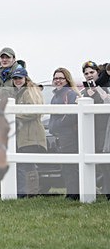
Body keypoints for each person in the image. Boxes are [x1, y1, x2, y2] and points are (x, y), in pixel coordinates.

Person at [11, 67, 46, 197]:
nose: (17, 80)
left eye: (19, 78)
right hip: (26, 135)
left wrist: (13, 115)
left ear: (25, 78)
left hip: (31, 134)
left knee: (27, 165)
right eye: (15, 78)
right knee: (26, 164)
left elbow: (33, 111)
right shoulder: (22, 92)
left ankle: (29, 193)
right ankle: (28, 193)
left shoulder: (29, 91)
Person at [49, 67, 80, 200]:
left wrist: (56, 126)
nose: (58, 81)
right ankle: (71, 193)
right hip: (60, 136)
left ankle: (74, 194)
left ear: (66, 79)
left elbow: (70, 116)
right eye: (55, 78)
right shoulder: (55, 95)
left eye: (60, 78)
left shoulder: (70, 94)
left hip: (70, 136)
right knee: (65, 166)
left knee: (70, 166)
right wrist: (52, 128)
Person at [80, 60, 110, 197]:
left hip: (105, 129)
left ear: (98, 73)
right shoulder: (85, 91)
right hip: (93, 131)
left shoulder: (105, 87)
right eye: (86, 73)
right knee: (99, 163)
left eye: (92, 72)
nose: (89, 75)